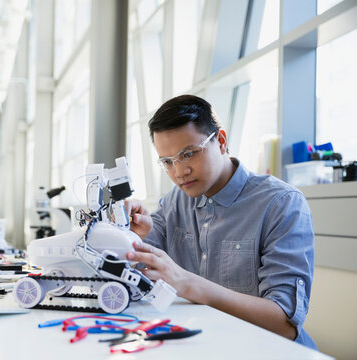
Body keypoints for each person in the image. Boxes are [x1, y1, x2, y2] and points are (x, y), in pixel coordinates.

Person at [126, 95, 316, 349]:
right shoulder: (175, 200)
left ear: (222, 141)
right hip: (206, 347)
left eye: (189, 154)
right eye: (168, 162)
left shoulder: (282, 204)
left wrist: (189, 284)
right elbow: (141, 257)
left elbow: (284, 326)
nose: (179, 172)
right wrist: (131, 230)